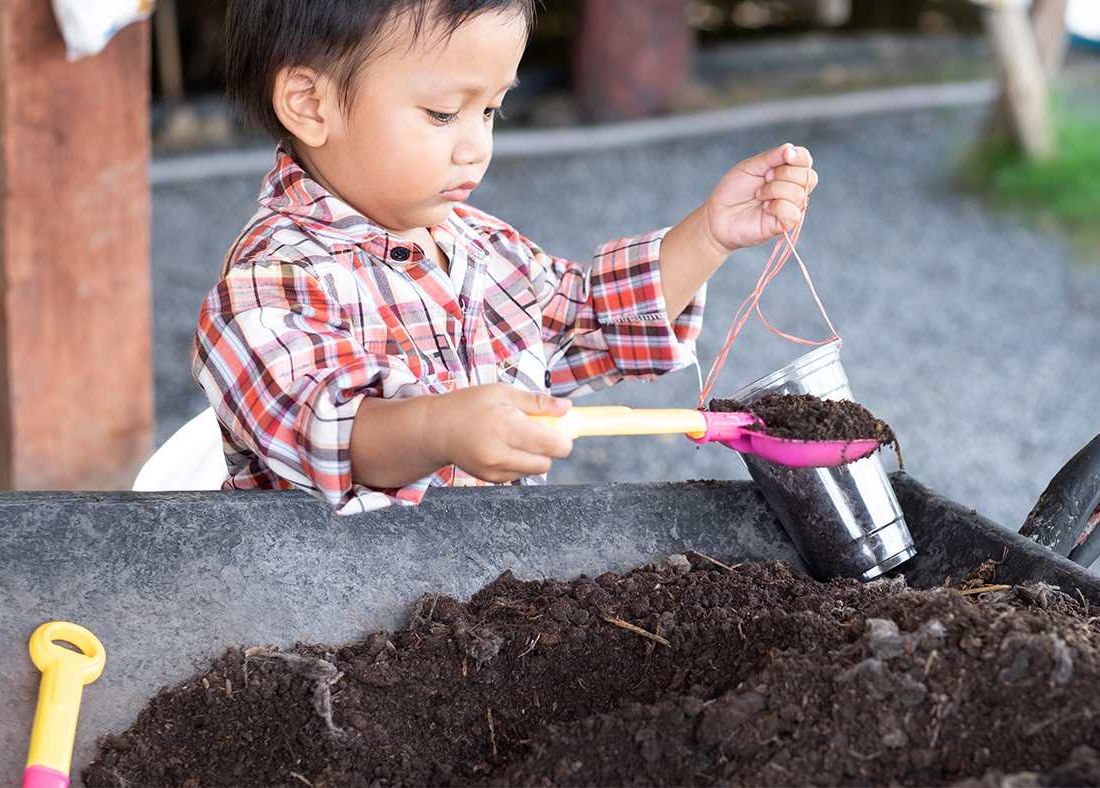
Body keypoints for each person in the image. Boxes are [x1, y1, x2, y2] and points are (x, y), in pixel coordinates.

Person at [195, 0, 819, 514]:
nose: (477, 146)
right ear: (311, 104)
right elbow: (330, 429)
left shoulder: (482, 246)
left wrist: (709, 235)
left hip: (481, 598)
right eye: (443, 113)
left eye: (490, 109)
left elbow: (593, 318)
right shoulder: (267, 287)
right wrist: (440, 430)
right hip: (334, 617)